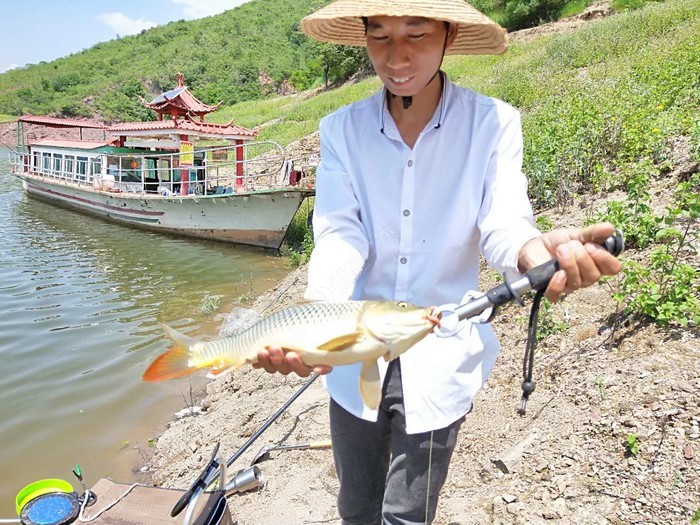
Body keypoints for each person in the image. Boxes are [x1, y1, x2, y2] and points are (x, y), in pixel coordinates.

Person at [254, 1, 622, 523]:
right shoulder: (342, 129)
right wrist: (318, 312)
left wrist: (531, 253)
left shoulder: (493, 124)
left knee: (408, 512)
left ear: (448, 35)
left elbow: (502, 222)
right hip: (353, 346)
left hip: (443, 347)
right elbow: (340, 231)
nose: (395, 56)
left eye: (416, 34)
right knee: (356, 504)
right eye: (378, 36)